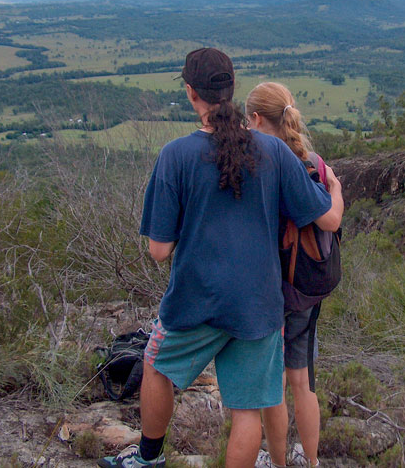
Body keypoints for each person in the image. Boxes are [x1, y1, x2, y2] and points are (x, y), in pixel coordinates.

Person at [98, 50, 343, 468]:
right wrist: (335, 190)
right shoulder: (274, 151)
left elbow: (159, 251)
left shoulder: (175, 156)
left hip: (197, 299)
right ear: (232, 90)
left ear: (191, 93)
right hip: (260, 305)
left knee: (156, 366)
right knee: (246, 410)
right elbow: (326, 218)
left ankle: (148, 458)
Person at [245, 82, 342, 468]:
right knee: (301, 379)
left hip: (269, 288)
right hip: (305, 288)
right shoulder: (312, 160)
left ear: (255, 118)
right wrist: (336, 190)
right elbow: (330, 219)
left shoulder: (259, 163)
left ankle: (280, 462)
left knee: (274, 385)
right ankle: (312, 461)